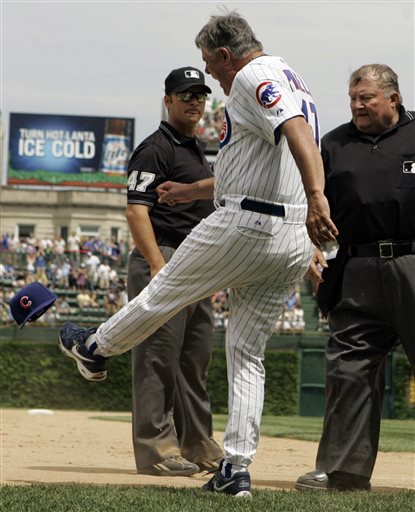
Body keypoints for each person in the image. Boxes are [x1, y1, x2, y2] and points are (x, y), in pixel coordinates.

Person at [58, 12, 337, 498]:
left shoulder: (252, 75)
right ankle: (235, 470)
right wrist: (192, 192)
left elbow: (295, 132)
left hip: (248, 225)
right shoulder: (294, 76)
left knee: (163, 292)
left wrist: (318, 197)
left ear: (226, 54)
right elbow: (265, 157)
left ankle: (94, 347)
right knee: (247, 352)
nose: (209, 73)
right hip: (288, 235)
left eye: (210, 62)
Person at [296, 64, 415, 492]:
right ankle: (343, 473)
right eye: (353, 98)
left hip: (412, 262)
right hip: (355, 266)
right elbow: (305, 204)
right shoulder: (333, 144)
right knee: (348, 370)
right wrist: (308, 250)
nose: (357, 105)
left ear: (393, 99)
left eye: (366, 97)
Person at [125, 66, 223, 477]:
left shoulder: (195, 148)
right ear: (167, 100)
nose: (194, 102)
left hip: (194, 264)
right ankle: (156, 450)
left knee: (193, 364)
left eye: (199, 95)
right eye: (185, 95)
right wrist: (156, 264)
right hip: (164, 257)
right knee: (156, 360)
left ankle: (199, 446)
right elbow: (136, 208)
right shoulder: (155, 147)